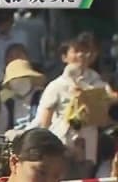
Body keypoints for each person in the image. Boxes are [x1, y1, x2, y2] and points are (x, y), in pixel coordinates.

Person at [38, 33, 109, 165]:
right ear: (64, 57)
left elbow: (103, 120)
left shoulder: (98, 84)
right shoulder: (56, 85)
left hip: (88, 146)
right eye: (76, 51)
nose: (81, 55)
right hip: (62, 143)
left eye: (85, 51)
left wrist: (88, 99)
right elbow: (45, 121)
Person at [0, 59, 45, 139]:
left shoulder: (41, 96)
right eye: (14, 80)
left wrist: (23, 133)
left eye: (23, 78)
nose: (19, 82)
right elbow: (2, 127)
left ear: (30, 79)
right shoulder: (8, 102)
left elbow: (41, 121)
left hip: (35, 139)